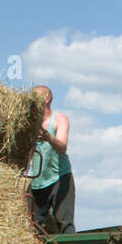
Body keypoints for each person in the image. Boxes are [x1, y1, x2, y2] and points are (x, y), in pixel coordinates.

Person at [28, 85, 75, 235]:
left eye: (34, 97)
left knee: (64, 222)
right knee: (31, 225)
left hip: (60, 178)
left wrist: (48, 137)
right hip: (37, 181)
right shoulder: (28, 122)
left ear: (46, 99)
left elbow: (62, 147)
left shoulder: (60, 119)